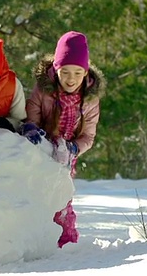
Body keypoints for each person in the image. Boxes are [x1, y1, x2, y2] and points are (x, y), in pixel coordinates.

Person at [22, 31, 106, 248]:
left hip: (67, 154)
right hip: (40, 150)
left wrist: (73, 149)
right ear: (55, 69)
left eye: (77, 73)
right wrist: (33, 133)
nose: (71, 79)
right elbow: (32, 115)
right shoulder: (43, 90)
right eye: (65, 72)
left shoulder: (89, 99)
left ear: (86, 73)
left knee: (61, 198)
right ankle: (35, 237)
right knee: (38, 196)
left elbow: (88, 135)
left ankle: (65, 241)